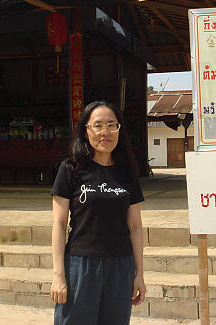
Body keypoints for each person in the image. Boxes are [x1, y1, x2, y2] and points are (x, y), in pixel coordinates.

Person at [50, 101, 146, 325]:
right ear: (86, 130)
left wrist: (139, 274)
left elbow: (135, 226)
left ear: (120, 130)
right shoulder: (70, 169)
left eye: (112, 125)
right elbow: (59, 224)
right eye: (98, 125)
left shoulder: (127, 172)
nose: (105, 132)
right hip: (80, 264)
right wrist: (58, 275)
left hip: (120, 266)